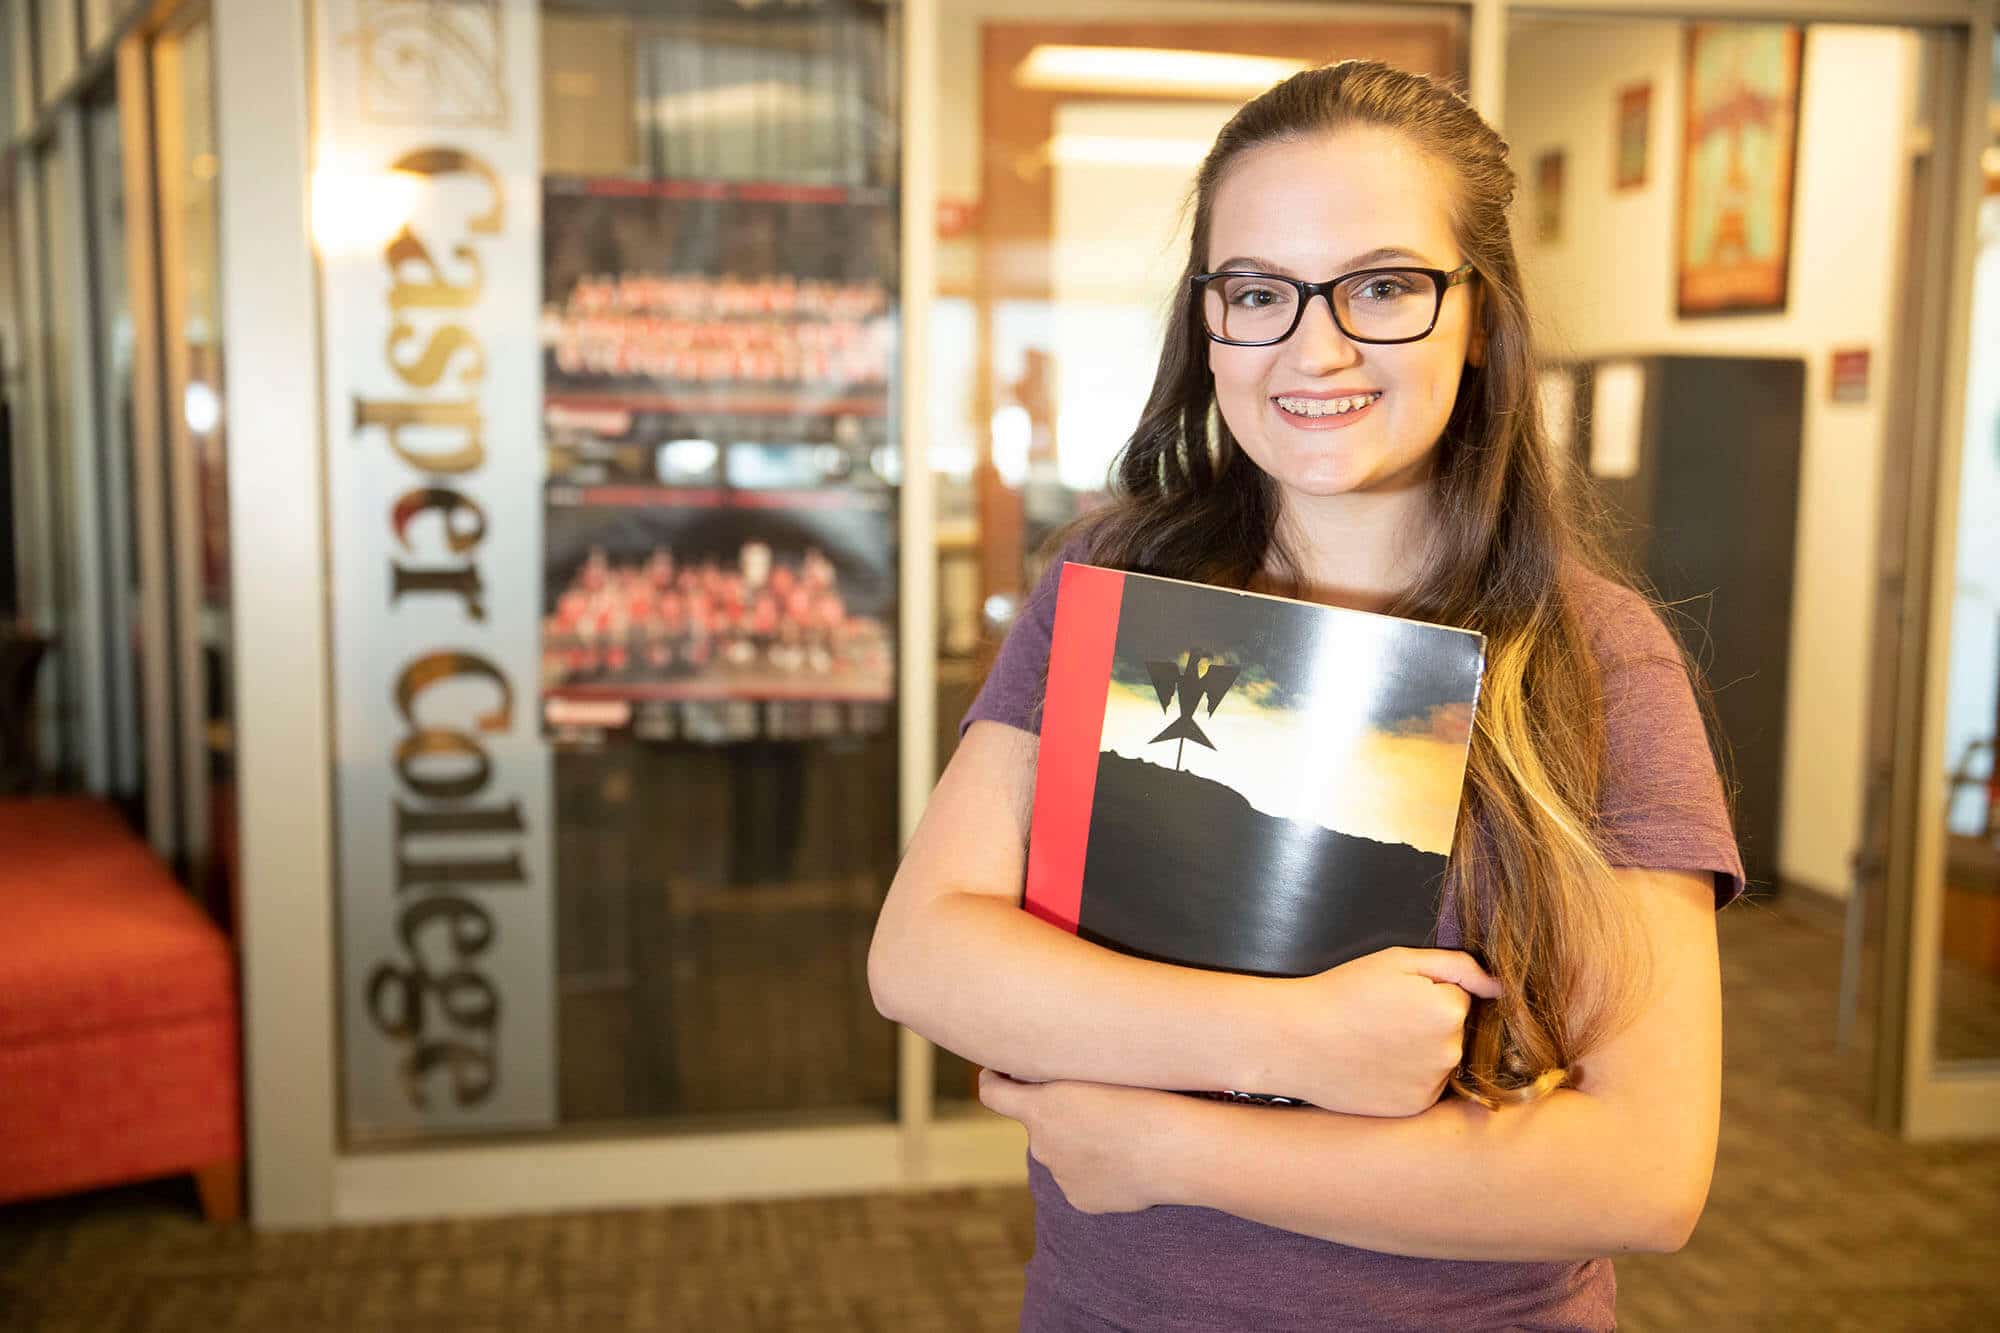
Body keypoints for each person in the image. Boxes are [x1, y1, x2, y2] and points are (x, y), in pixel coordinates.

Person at [867, 59, 1745, 1332]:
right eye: (1259, 292)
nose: (1311, 346)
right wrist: (1287, 1040)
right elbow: (927, 954)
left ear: (1479, 315)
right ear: (1207, 319)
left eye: (1382, 287)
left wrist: (1168, 1147)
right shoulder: (1112, 583)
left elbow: (1643, 1172)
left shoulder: (1592, 657)